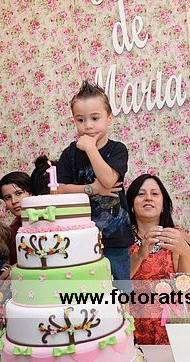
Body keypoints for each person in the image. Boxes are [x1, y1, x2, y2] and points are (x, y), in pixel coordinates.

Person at [57, 81, 133, 292]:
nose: (88, 125)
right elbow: (59, 189)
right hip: (79, 236)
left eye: (95, 118)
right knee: (86, 292)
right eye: (81, 120)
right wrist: (92, 188)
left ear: (109, 118)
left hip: (114, 237)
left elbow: (108, 180)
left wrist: (90, 148)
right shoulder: (69, 154)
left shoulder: (117, 150)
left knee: (120, 293)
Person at [126, 174, 190, 344]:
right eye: (141, 194)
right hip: (133, 321)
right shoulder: (122, 240)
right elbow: (118, 282)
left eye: (154, 194)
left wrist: (185, 252)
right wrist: (140, 254)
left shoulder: (176, 235)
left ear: (164, 204)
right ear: (131, 204)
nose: (148, 198)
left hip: (171, 321)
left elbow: (188, 284)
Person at [0, 172, 32, 265]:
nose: (14, 201)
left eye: (18, 193)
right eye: (8, 198)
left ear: (31, 193)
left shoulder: (48, 223)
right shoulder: (10, 232)